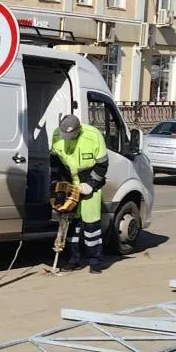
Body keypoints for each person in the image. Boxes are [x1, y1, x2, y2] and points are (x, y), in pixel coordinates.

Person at [50, 114, 110, 274]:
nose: (66, 138)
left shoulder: (93, 136)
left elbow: (102, 165)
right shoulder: (57, 135)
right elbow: (55, 163)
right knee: (70, 225)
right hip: (69, 184)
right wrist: (56, 184)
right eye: (64, 135)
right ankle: (72, 261)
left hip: (88, 185)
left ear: (79, 130)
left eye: (70, 135)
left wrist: (91, 183)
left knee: (91, 226)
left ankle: (95, 262)